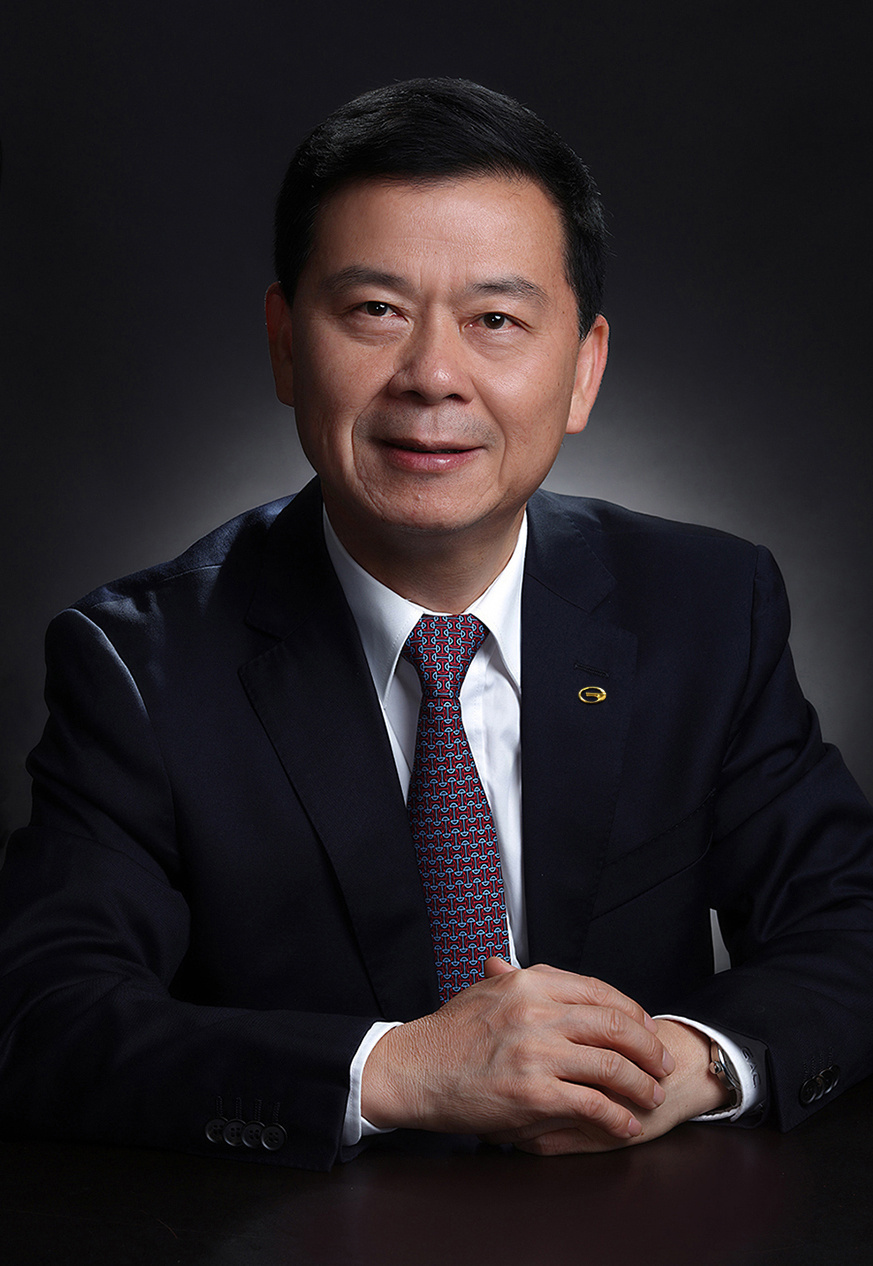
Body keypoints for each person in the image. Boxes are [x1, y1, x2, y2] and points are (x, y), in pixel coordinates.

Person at [0, 79, 871, 1172]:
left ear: (584, 369)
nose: (433, 377)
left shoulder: (705, 606)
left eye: (495, 320)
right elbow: (42, 1017)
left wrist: (677, 1064)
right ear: (284, 342)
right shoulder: (140, 664)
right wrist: (402, 1071)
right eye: (375, 311)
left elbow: (850, 923)